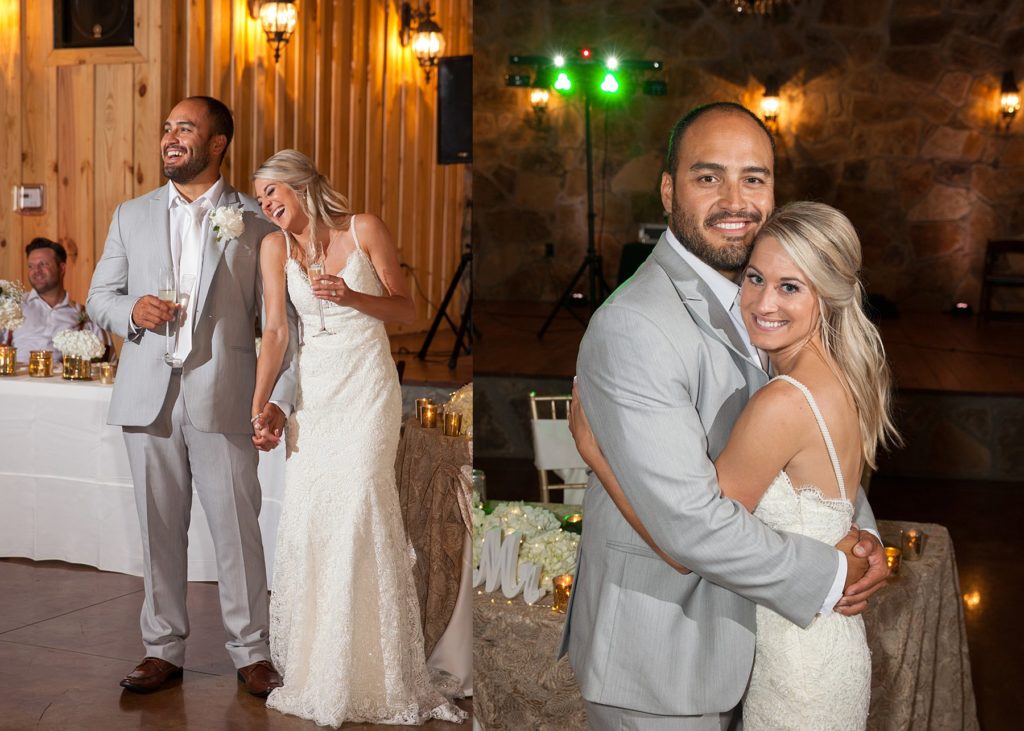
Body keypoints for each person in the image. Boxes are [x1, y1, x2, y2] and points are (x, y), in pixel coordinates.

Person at [559, 102, 891, 730]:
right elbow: (690, 527)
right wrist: (829, 573)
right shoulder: (637, 325)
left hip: (761, 650)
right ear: (667, 190)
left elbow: (808, 448)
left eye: (754, 178)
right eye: (708, 177)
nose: (735, 199)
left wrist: (858, 532)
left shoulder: (769, 302)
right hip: (664, 659)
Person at [87, 96, 297, 697]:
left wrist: (277, 398)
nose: (171, 138)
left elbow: (284, 329)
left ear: (218, 143)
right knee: (156, 530)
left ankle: (252, 651)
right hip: (147, 397)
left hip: (226, 395)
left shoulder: (255, 222)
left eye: (186, 128)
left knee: (237, 528)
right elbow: (100, 296)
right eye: (167, 129)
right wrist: (132, 310)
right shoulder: (130, 215)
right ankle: (162, 650)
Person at [251, 149, 466, 727]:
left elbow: (408, 310)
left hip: (368, 387)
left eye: (274, 192)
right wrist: (261, 404)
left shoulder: (363, 227)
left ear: (301, 187)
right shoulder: (274, 248)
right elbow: (275, 332)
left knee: (360, 506)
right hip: (316, 396)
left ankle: (379, 671)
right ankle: (324, 668)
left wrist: (351, 297)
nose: (267, 204)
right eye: (261, 196)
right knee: (315, 514)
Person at [9, 238, 111, 362]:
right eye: (31, 266)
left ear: (62, 268)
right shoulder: (12, 306)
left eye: (43, 264)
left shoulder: (84, 316)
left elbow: (108, 362)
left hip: (64, 381)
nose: (36, 271)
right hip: (15, 381)